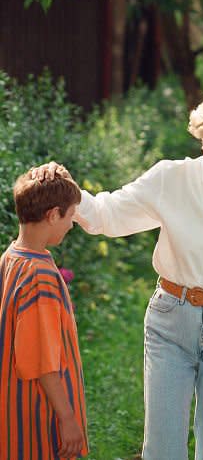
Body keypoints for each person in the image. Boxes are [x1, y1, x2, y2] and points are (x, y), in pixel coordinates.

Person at [33, 87, 203, 460]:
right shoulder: (171, 179)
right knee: (162, 449)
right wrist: (67, 190)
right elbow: (109, 214)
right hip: (170, 318)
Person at [0, 170, 88, 460]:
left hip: (9, 409)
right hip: (36, 415)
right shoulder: (40, 276)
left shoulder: (11, 258)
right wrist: (67, 418)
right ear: (52, 215)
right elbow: (42, 361)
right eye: (70, 217)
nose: (71, 225)